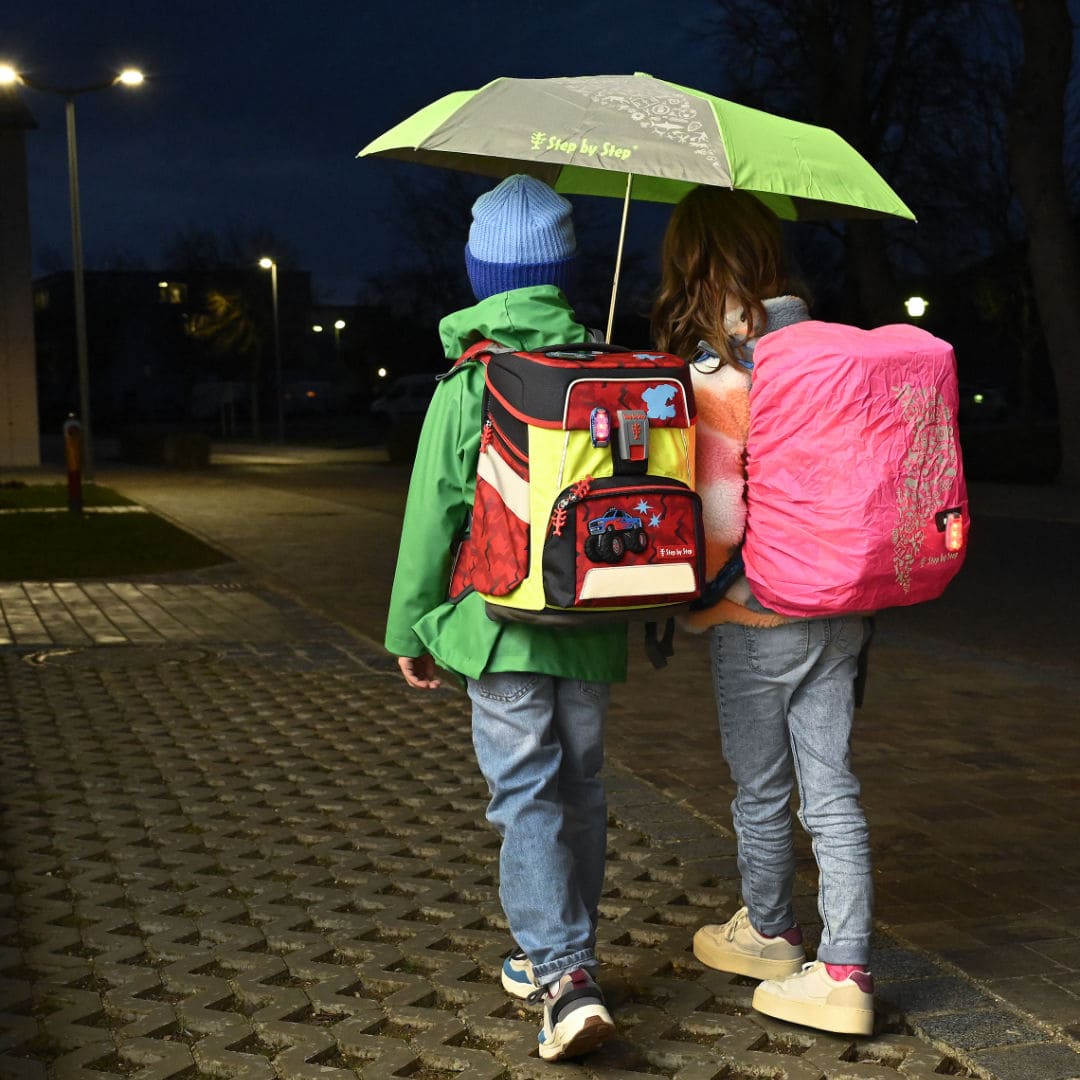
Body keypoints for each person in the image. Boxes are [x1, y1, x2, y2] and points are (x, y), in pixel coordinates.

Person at [384, 174, 625, 1061]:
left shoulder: (469, 383)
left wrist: (410, 629)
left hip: (497, 624)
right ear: (564, 270)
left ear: (481, 274)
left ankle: (563, 974)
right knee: (583, 790)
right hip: (592, 623)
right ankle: (564, 955)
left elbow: (431, 519)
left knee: (524, 790)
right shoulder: (606, 368)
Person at [651, 186, 876, 1037]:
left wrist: (695, 592)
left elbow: (715, 516)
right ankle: (847, 969)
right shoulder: (826, 353)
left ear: (694, 267)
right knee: (834, 791)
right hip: (843, 608)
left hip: (753, 619)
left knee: (762, 790)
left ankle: (773, 931)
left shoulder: (712, 378)